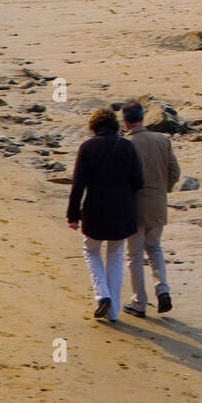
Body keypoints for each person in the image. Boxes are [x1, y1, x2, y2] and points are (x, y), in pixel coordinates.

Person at [67, 106, 143, 322]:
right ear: (115, 125)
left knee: (91, 250)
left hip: (95, 210)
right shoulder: (127, 147)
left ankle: (102, 295)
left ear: (94, 126)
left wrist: (72, 215)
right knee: (116, 256)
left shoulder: (87, 147)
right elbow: (138, 181)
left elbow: (78, 185)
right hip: (123, 211)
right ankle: (113, 311)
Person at [119, 99, 180, 317]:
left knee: (134, 254)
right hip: (158, 203)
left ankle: (139, 302)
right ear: (142, 118)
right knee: (154, 248)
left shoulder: (125, 144)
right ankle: (162, 289)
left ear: (125, 121)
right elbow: (174, 171)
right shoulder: (161, 140)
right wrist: (164, 189)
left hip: (135, 206)